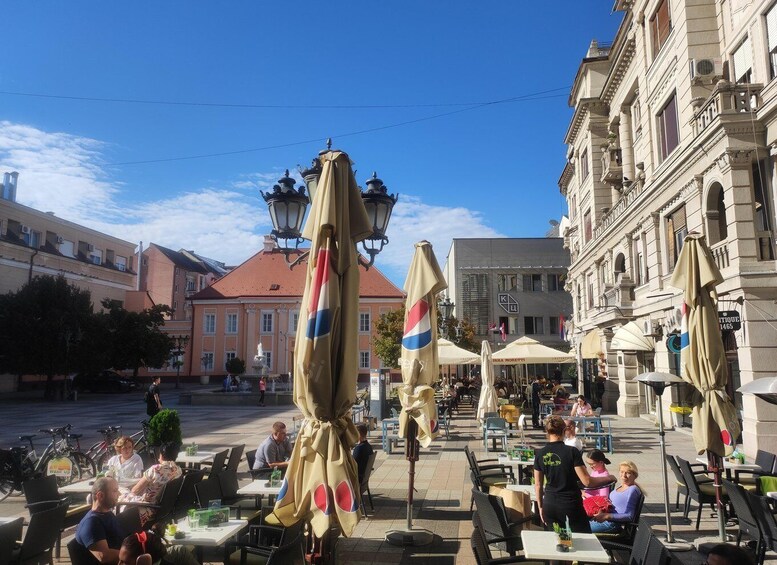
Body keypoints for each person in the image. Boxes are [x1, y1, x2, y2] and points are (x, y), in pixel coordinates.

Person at [534, 415, 616, 533]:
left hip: (550, 503)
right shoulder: (571, 452)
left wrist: (540, 507)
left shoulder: (540, 453)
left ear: (547, 432)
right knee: (584, 540)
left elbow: (538, 485)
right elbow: (587, 481)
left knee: (559, 542)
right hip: (569, 504)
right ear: (564, 431)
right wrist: (608, 478)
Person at [121, 442, 182, 525]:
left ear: (161, 455)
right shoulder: (178, 470)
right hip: (165, 507)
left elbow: (135, 489)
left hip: (148, 507)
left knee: (119, 499)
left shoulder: (156, 469)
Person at [75, 477, 125, 564]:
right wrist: (133, 555)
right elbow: (104, 556)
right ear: (100, 495)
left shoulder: (107, 514)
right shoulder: (91, 522)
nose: (119, 494)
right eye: (115, 490)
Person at [589, 460, 645, 533]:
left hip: (612, 524)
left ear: (635, 475)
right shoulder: (620, 487)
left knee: (580, 529)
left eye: (628, 473)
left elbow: (629, 515)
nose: (624, 475)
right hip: (606, 521)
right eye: (622, 472)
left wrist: (607, 516)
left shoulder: (633, 490)